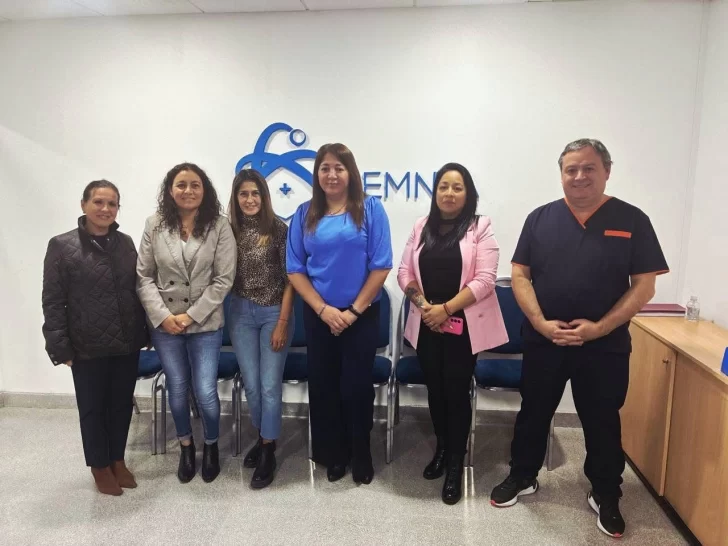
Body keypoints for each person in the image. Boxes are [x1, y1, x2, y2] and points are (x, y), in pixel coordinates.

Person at [490, 139, 668, 538]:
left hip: (604, 346)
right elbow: (520, 275)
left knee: (602, 420)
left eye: (589, 168)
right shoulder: (540, 219)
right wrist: (540, 323)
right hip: (544, 340)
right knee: (534, 412)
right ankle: (523, 475)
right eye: (571, 169)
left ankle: (606, 492)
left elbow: (644, 286)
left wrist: (600, 328)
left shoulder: (632, 220)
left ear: (607, 171)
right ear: (561, 175)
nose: (579, 176)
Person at [398, 163, 508, 504]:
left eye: (457, 187)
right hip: (427, 324)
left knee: (456, 393)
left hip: (464, 327)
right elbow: (404, 272)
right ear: (435, 192)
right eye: (443, 186)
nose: (449, 193)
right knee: (435, 390)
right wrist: (425, 306)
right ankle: (442, 449)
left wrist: (445, 309)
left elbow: (486, 279)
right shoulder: (421, 226)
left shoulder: (480, 227)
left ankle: (456, 464)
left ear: (468, 193)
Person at [287, 143, 393, 485]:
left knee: (356, 388)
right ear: (317, 174)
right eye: (325, 168)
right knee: (324, 386)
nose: (331, 174)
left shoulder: (370, 208)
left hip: (361, 316)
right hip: (319, 316)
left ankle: (361, 453)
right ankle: (334, 454)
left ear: (351, 173)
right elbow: (295, 269)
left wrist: (352, 312)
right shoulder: (304, 214)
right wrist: (323, 310)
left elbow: (381, 265)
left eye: (339, 168)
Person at [42, 180, 147, 496]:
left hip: (126, 342)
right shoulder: (62, 246)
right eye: (99, 202)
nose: (105, 209)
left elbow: (136, 290)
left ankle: (117, 459)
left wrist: (144, 332)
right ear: (84, 204)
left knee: (121, 405)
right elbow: (53, 300)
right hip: (86, 345)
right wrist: (59, 346)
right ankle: (99, 465)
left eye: (112, 203)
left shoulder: (125, 243)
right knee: (92, 408)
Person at [136, 162, 236, 484]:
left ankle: (211, 445)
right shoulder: (154, 224)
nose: (188, 191)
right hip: (165, 324)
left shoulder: (219, 225)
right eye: (181, 185)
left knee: (205, 391)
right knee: (177, 389)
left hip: (205, 323)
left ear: (204, 190)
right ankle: (186, 446)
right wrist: (163, 317)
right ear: (170, 190)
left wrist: (191, 315)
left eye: (195, 185)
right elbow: (143, 277)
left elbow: (223, 280)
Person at [226, 168, 294, 489]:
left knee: (268, 386)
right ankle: (264, 434)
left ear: (264, 197)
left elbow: (291, 280)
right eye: (244, 194)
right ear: (236, 198)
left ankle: (268, 449)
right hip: (239, 313)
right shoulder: (228, 231)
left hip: (273, 313)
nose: (250, 199)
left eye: (255, 193)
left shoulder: (279, 229)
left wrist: (282, 323)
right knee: (251, 385)